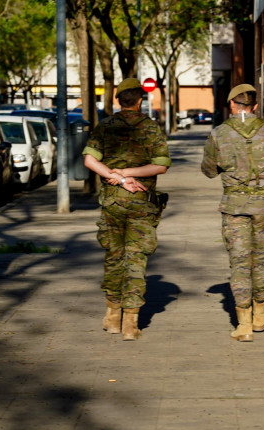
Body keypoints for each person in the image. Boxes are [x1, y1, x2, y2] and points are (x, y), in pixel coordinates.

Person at [201, 83, 264, 342]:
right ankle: (260, 314)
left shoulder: (219, 134)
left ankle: (243, 325)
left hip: (234, 207)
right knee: (261, 261)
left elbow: (209, 170)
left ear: (231, 105)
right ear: (255, 106)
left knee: (240, 263)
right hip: (263, 207)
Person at [82, 78, 171, 341]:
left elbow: (89, 160)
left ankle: (112, 316)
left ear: (118, 100)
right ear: (140, 101)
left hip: (112, 202)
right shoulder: (151, 128)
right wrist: (130, 174)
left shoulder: (105, 127)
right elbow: (161, 166)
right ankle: (131, 324)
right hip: (142, 203)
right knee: (135, 259)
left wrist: (118, 177)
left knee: (114, 256)